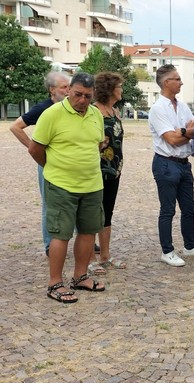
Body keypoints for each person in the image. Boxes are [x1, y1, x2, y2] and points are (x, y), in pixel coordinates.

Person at [28, 72, 106, 303]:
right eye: (77, 94)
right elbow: (35, 149)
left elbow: (97, 144)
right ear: (69, 90)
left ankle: (80, 276)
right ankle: (55, 283)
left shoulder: (95, 115)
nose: (82, 100)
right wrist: (53, 169)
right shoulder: (52, 114)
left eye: (87, 96)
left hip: (92, 185)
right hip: (61, 185)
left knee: (88, 232)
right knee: (60, 234)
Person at [9, 71, 70, 256]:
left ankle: (82, 241)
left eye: (69, 86)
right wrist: (34, 149)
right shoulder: (42, 108)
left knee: (74, 201)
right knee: (50, 204)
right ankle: (50, 245)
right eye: (63, 87)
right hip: (48, 163)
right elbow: (15, 126)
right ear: (52, 90)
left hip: (69, 163)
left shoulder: (71, 107)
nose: (68, 91)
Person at [149, 64, 194, 267]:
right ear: (166, 82)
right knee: (168, 209)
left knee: (189, 207)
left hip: (183, 163)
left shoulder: (183, 106)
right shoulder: (157, 109)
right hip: (166, 163)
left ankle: (189, 246)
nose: (181, 82)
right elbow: (171, 139)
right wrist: (186, 132)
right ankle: (167, 250)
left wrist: (185, 132)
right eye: (177, 79)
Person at [87, 71, 127, 275]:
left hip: (114, 170)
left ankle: (105, 256)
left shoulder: (114, 111)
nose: (121, 89)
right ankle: (90, 259)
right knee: (93, 214)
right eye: (119, 86)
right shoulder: (94, 112)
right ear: (110, 89)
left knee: (107, 213)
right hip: (98, 170)